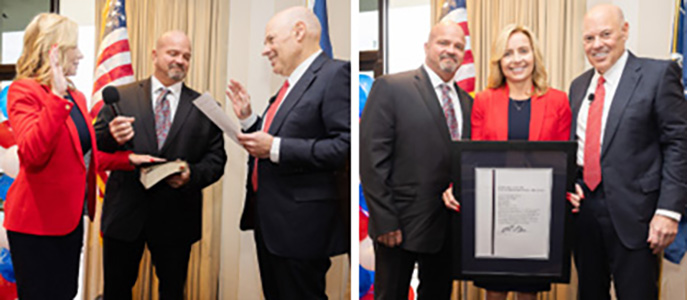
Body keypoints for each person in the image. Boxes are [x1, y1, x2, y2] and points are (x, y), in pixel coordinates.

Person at [3, 13, 156, 300]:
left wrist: (127, 160)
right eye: (76, 47)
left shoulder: (77, 97)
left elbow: (81, 153)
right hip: (35, 225)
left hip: (71, 220)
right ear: (55, 51)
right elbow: (33, 153)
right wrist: (55, 98)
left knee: (65, 293)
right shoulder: (24, 92)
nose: (82, 55)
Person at [225, 6, 349, 299]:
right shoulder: (287, 88)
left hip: (301, 230)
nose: (264, 50)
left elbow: (344, 147)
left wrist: (275, 147)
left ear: (298, 33)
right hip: (271, 225)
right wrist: (247, 119)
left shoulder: (335, 74)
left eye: (270, 40)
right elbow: (277, 139)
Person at [94, 31, 227, 300]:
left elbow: (216, 161)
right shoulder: (120, 97)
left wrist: (192, 174)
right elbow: (96, 145)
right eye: (173, 53)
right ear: (155, 55)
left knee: (173, 293)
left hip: (176, 219)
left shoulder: (206, 107)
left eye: (186, 56)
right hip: (124, 216)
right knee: (116, 292)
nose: (180, 60)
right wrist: (111, 135)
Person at [566, 4, 687, 299]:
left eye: (605, 34)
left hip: (637, 217)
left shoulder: (658, 74)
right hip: (584, 216)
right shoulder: (578, 86)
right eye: (589, 38)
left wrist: (669, 211)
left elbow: (679, 143)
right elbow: (577, 148)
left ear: (625, 31)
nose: (597, 45)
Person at [442, 24, 571, 300]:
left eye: (523, 51)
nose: (516, 59)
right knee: (495, 290)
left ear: (534, 55)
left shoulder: (558, 101)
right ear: (499, 61)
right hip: (493, 213)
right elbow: (473, 157)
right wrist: (457, 185)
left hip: (536, 217)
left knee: (528, 291)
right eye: (508, 53)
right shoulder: (484, 101)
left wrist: (571, 188)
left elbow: (563, 163)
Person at [360, 20, 472, 300]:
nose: (451, 50)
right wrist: (385, 221)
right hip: (399, 227)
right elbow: (372, 160)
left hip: (448, 227)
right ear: (427, 47)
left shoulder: (468, 102)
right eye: (443, 43)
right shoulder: (391, 87)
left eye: (458, 46)